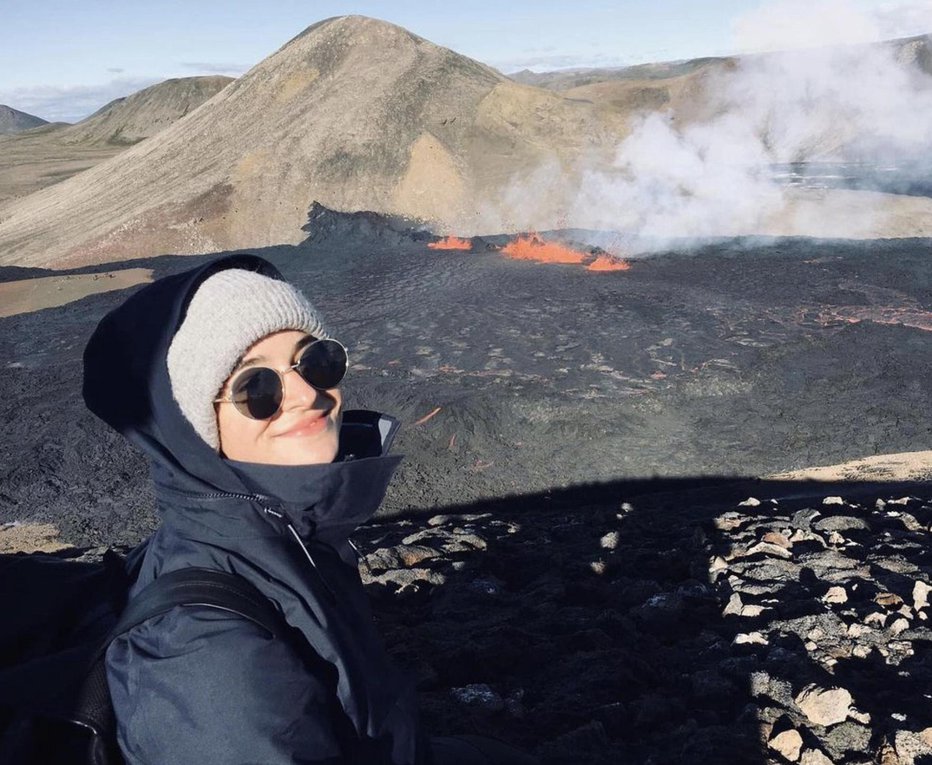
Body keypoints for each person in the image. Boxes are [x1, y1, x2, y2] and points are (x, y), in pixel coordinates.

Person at [82, 254, 538, 764]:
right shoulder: (206, 654)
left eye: (316, 361)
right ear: (194, 427)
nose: (306, 395)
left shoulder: (282, 532)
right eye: (257, 389)